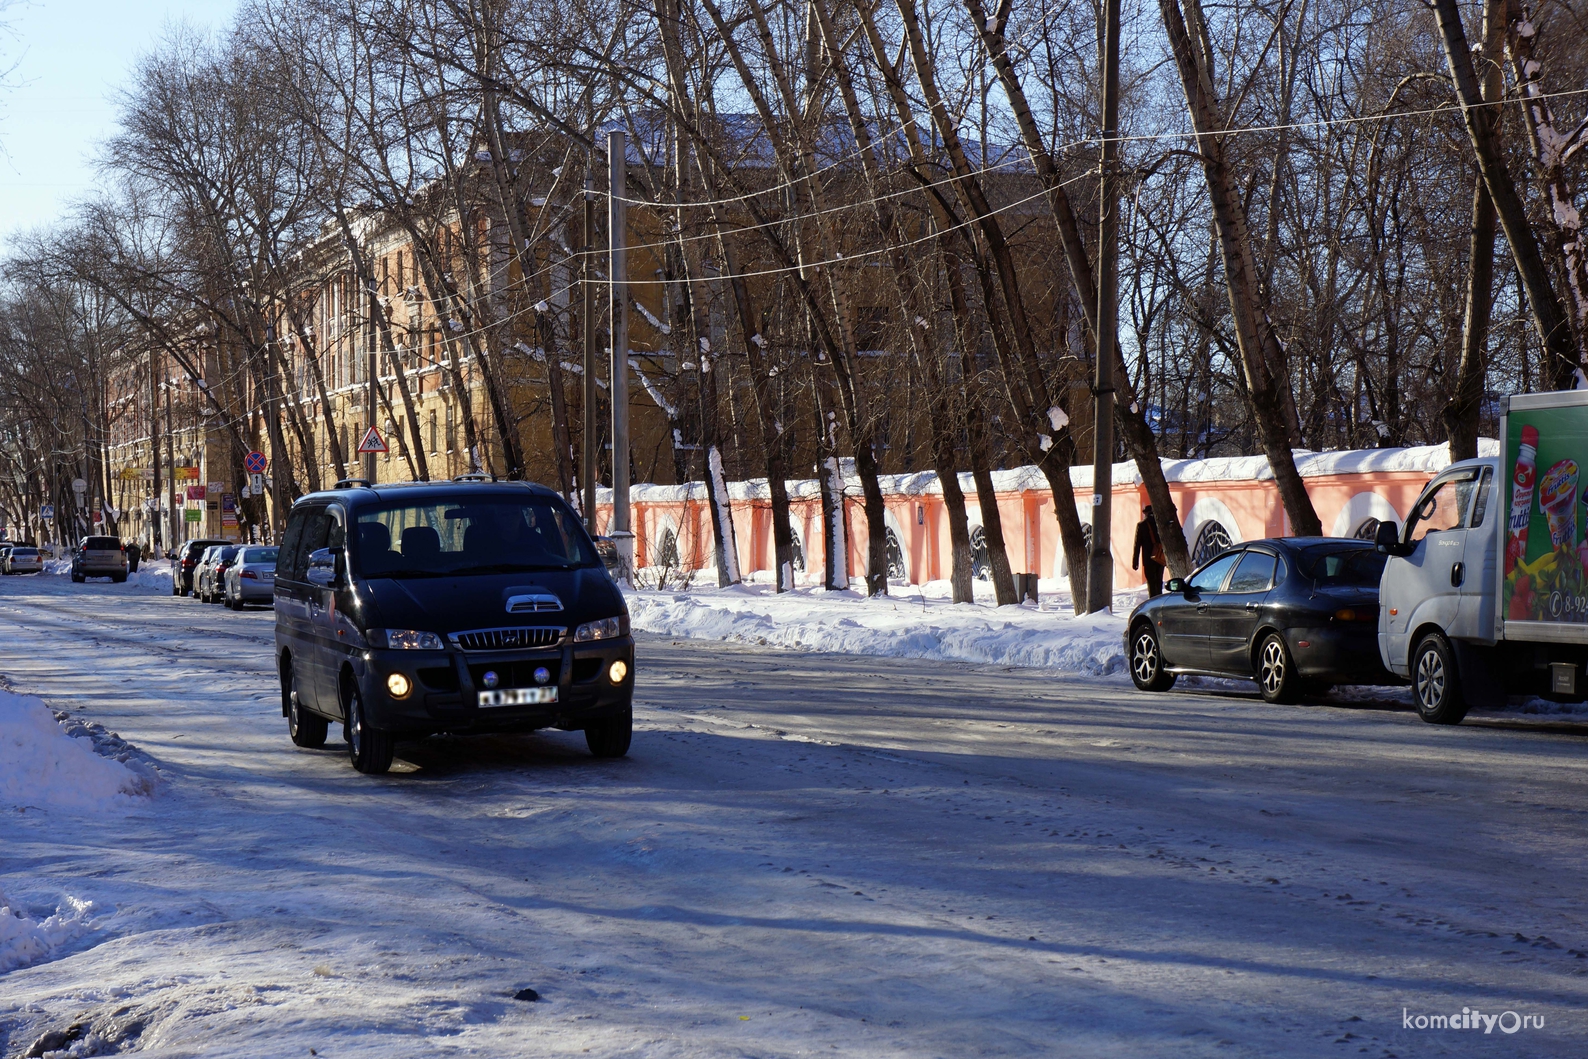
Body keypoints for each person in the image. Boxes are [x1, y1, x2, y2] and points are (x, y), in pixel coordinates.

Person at [1132, 504, 1166, 597]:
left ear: (1146, 513)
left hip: (1148, 559)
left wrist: (1135, 561)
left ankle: (1153, 600)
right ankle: (1159, 599)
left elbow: (1137, 544)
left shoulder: (1141, 525)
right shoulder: (1160, 524)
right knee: (1159, 581)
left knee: (1151, 582)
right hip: (1160, 558)